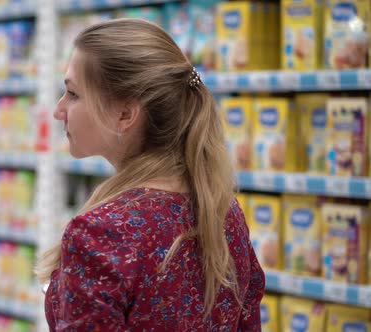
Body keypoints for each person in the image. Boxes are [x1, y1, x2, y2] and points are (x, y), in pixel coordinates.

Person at [36, 18, 265, 331]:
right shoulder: (223, 213)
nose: (58, 109)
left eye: (73, 94)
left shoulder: (100, 234)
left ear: (126, 114)